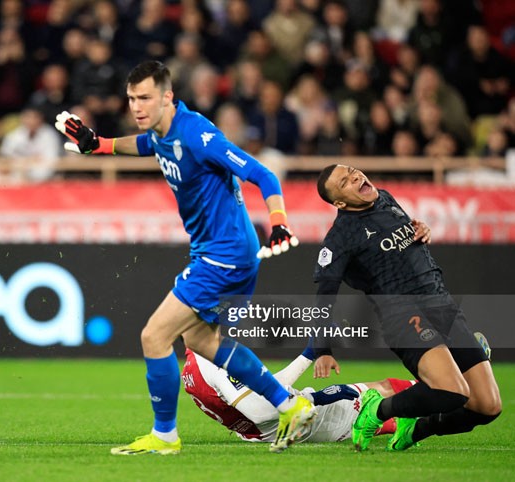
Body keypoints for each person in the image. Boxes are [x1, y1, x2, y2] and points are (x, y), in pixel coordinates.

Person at [54, 60, 315, 456]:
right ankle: (289, 405)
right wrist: (99, 145)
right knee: (201, 339)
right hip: (223, 251)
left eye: (145, 98)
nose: (137, 107)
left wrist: (278, 221)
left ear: (167, 97)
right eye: (131, 99)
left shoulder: (197, 134)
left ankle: (165, 436)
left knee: (154, 337)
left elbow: (263, 174)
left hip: (224, 255)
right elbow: (143, 146)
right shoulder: (159, 131)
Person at [313, 165, 502, 452]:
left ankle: (417, 428)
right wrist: (322, 350)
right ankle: (378, 410)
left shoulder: (385, 199)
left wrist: (421, 229)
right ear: (339, 202)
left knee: (488, 406)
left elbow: (404, 243)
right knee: (451, 392)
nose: (355, 176)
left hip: (443, 306)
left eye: (352, 171)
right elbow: (325, 296)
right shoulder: (340, 238)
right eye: (345, 181)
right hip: (403, 316)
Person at [183, 347, 414, 443]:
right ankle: (443, 388)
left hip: (261, 435)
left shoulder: (190, 367)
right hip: (296, 421)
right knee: (381, 390)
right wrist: (318, 397)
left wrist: (307, 354)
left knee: (387, 417)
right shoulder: (214, 360)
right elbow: (262, 412)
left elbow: (264, 389)